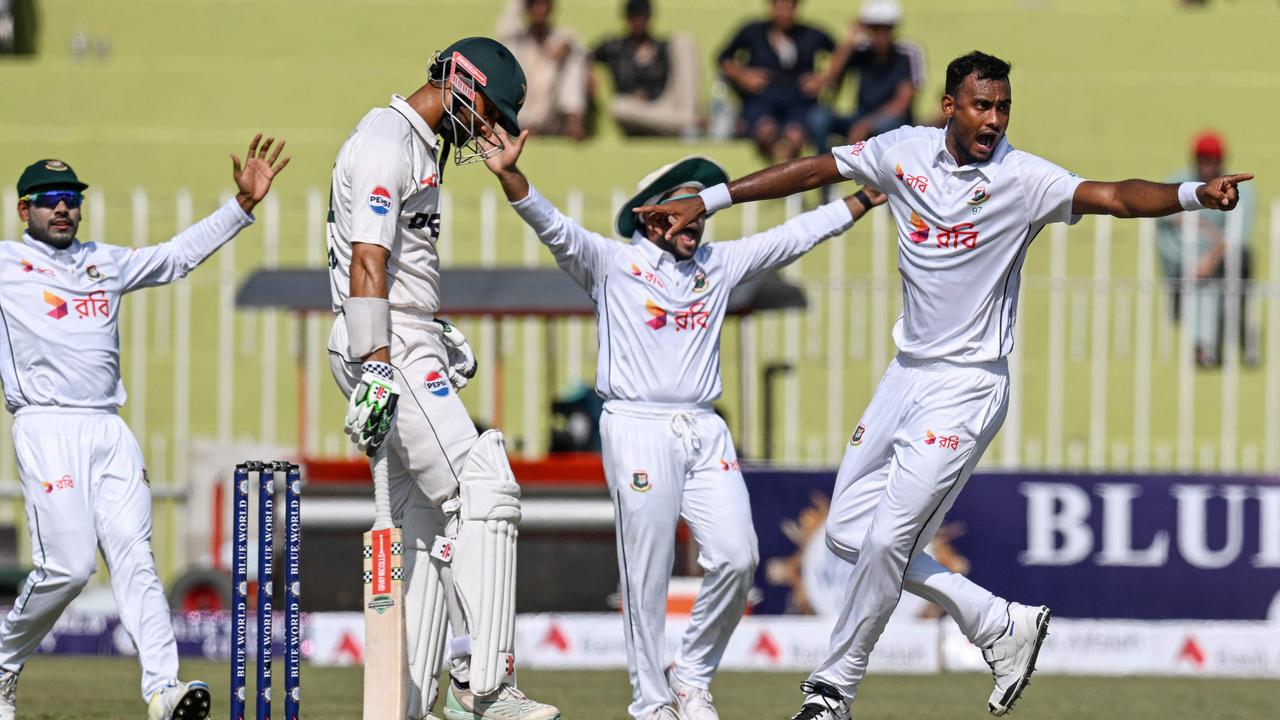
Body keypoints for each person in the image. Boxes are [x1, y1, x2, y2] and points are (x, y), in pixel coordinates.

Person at [638, 50, 1252, 720]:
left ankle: (830, 693)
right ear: (949, 108)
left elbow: (1111, 197)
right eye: (982, 106)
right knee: (844, 536)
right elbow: (817, 168)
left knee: (883, 543)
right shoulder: (904, 151)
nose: (993, 119)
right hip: (904, 376)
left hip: (968, 386)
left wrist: (1193, 195)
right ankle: (995, 621)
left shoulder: (1023, 178)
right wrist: (712, 198)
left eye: (1003, 107)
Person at [482, 125, 885, 720]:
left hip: (703, 427)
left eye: (701, 209)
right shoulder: (611, 264)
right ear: (650, 217)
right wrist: (511, 175)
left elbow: (790, 237)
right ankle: (652, 705)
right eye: (684, 208)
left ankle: (691, 675)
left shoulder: (717, 266)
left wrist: (857, 202)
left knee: (738, 555)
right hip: (636, 425)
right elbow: (551, 226)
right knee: (646, 571)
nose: (697, 220)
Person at [0, 137, 289, 720]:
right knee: (71, 566)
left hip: (109, 428)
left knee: (135, 558)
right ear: (24, 209)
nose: (62, 208)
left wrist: (240, 206)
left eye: (71, 199)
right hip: (46, 426)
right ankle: (4, 667)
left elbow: (176, 256)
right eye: (49, 199)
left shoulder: (104, 260)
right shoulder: (6, 264)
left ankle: (163, 690)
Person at [325, 37, 559, 720]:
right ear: (460, 79)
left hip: (405, 332)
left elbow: (399, 262)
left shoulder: (421, 148)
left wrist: (432, 322)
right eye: (489, 111)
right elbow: (366, 260)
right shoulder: (385, 141)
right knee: (483, 485)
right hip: (386, 341)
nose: (489, 129)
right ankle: (481, 684)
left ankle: (407, 702)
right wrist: (376, 368)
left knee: (429, 519)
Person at [1156, 130, 1257, 367]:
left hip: (1219, 262)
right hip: (1182, 260)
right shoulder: (1179, 178)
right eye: (1202, 159)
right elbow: (1165, 215)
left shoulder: (1242, 191)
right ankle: (1205, 345)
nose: (1206, 164)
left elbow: (1236, 237)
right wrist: (1209, 233)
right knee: (1202, 283)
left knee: (1217, 279)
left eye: (1211, 160)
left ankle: (1206, 345)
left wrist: (1209, 259)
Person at [718, 0, 834, 161]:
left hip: (799, 101)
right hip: (761, 99)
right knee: (765, 131)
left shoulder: (811, 34)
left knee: (795, 135)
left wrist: (823, 79)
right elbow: (724, 59)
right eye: (779, 5)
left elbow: (840, 56)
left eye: (789, 6)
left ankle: (791, 174)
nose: (784, 12)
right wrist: (742, 75)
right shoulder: (752, 31)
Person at [806, 0, 924, 155]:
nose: (880, 34)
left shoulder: (908, 53)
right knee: (818, 117)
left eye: (885, 28)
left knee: (886, 127)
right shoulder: (861, 51)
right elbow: (829, 78)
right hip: (860, 116)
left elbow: (902, 102)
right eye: (875, 28)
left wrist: (867, 124)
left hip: (893, 121)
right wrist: (850, 40)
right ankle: (827, 166)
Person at [591, 0, 700, 137]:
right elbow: (583, 56)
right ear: (627, 18)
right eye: (634, 17)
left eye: (643, 16)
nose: (639, 21)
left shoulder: (662, 47)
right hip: (635, 112)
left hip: (666, 106)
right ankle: (687, 122)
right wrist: (587, 72)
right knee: (618, 107)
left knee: (683, 41)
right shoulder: (613, 46)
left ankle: (685, 119)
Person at [497, 0, 590, 141]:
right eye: (534, 5)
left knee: (573, 61)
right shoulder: (517, 40)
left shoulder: (564, 36)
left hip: (553, 117)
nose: (539, 10)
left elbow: (585, 59)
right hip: (523, 116)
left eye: (543, 4)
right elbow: (502, 35)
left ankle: (574, 122)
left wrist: (569, 49)